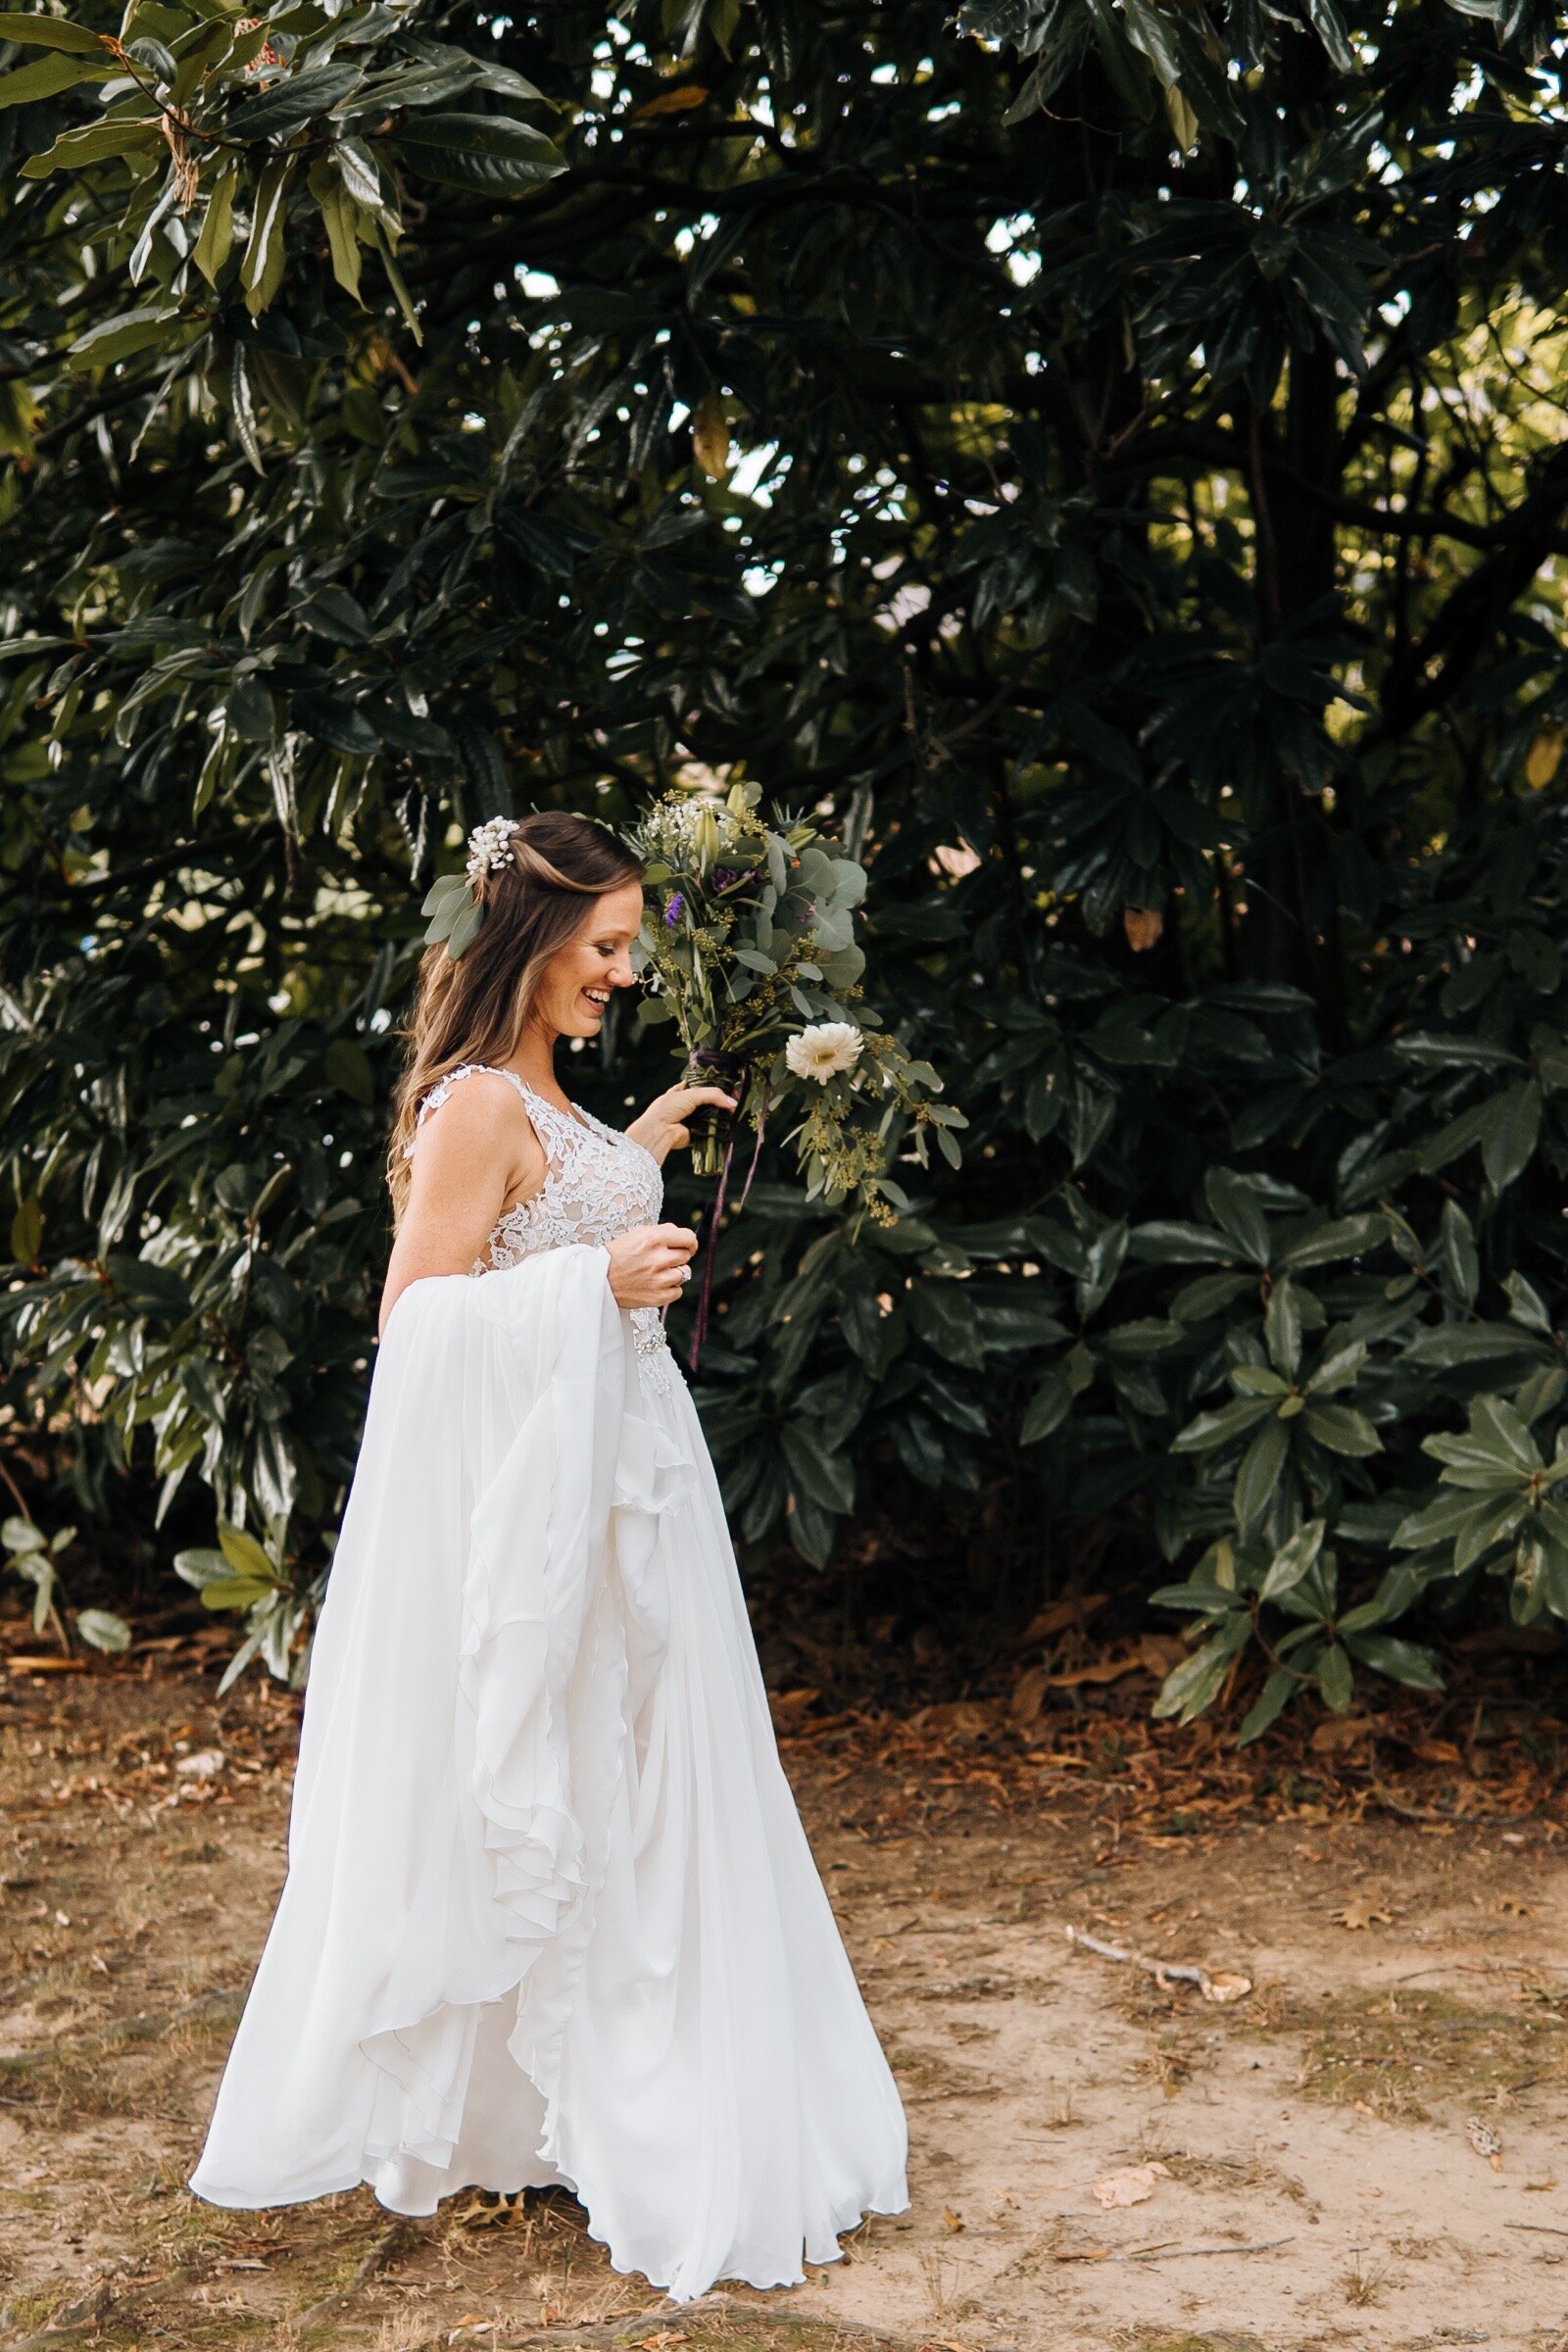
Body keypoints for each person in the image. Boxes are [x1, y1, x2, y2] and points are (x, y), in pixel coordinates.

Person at [188, 809, 909, 2303]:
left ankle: (609, 2085)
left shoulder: (546, 1102)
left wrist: (626, 1158)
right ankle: (593, 2094)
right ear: (524, 943)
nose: (621, 974)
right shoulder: (468, 1108)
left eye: (628, 946)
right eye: (601, 947)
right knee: (584, 1774)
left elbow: (542, 1208)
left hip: (633, 1491)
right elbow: (419, 1317)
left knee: (646, 1780)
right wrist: (596, 1274)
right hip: (556, 1514)